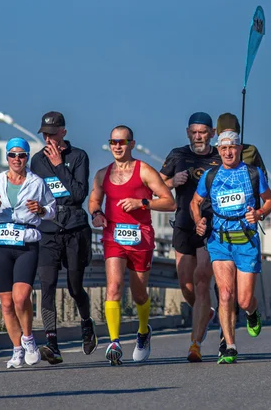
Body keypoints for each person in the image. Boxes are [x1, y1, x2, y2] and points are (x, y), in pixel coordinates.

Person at [88, 125, 176, 365]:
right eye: (113, 142)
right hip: (113, 237)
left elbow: (170, 202)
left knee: (138, 294)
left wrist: (142, 203)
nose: (117, 146)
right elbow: (94, 199)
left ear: (132, 144)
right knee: (114, 287)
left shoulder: (144, 170)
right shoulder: (102, 174)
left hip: (141, 237)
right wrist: (96, 214)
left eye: (122, 142)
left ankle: (143, 332)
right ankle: (114, 342)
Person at [190, 130, 271, 364]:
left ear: (239, 149)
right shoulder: (210, 175)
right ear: (218, 150)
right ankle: (229, 346)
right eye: (224, 148)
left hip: (246, 241)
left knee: (244, 300)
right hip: (219, 240)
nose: (228, 152)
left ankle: (251, 313)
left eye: (232, 148)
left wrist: (259, 213)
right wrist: (199, 221)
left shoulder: (252, 173)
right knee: (225, 294)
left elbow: (270, 201)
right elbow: (195, 202)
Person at [0, 138, 56, 369]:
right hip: (1, 243)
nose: (17, 159)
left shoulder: (37, 183)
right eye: (13, 155)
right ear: (7, 157)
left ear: (27, 157)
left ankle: (29, 339)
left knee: (21, 297)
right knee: (7, 302)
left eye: (22, 155)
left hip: (26, 244)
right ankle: (17, 350)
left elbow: (51, 209)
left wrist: (40, 210)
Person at [30, 111, 96, 364]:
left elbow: (78, 194)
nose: (48, 139)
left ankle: (86, 324)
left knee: (74, 287)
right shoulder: (36, 161)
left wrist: (59, 165)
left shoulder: (79, 157)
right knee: (46, 285)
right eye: (45, 135)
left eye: (52, 134)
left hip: (75, 230)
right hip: (48, 231)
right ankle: (52, 344)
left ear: (63, 133)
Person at [160, 112, 221, 362]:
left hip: (211, 225)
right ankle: (204, 312)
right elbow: (156, 185)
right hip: (185, 224)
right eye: (194, 132)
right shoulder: (177, 155)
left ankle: (194, 344)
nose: (198, 136)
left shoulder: (220, 157)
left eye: (203, 132)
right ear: (188, 133)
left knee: (202, 279)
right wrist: (173, 181)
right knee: (186, 285)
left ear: (212, 133)